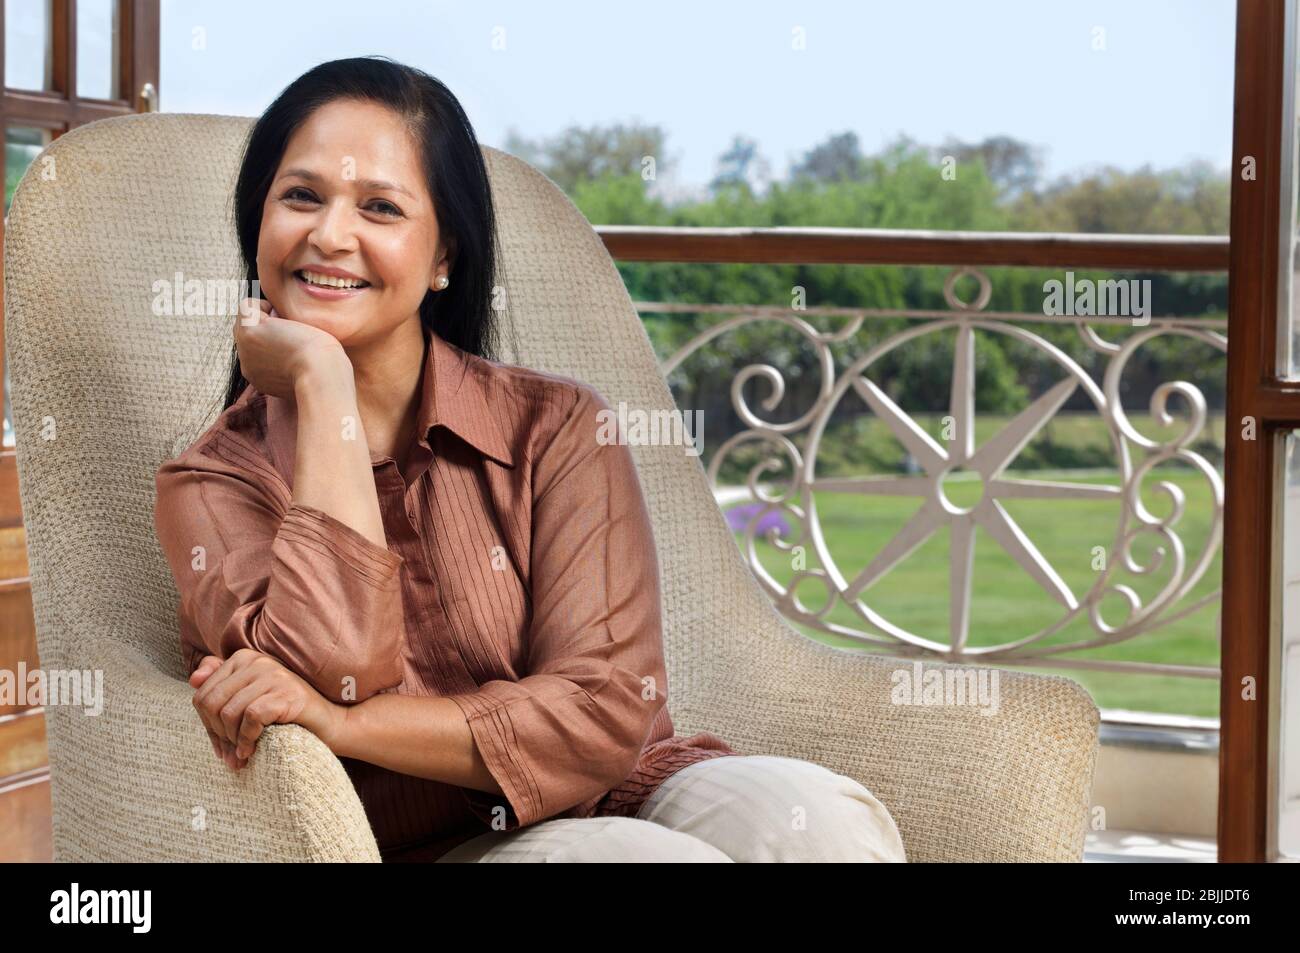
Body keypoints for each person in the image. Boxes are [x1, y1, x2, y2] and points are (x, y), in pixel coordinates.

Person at [153, 55, 906, 863]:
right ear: (256, 224)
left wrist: (349, 725)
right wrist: (322, 383)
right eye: (301, 196)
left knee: (816, 816)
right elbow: (338, 661)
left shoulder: (558, 425)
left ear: (444, 256)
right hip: (440, 842)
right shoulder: (213, 483)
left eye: (380, 207)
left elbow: (608, 706)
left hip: (628, 781)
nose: (332, 235)